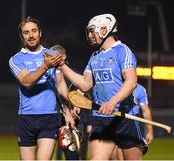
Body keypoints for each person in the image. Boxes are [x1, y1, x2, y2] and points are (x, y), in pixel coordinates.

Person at [57, 13, 146, 160]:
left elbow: (131, 82)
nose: (90, 35)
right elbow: (85, 84)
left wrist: (113, 102)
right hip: (101, 118)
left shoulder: (123, 51)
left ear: (104, 30)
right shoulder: (95, 56)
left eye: (92, 30)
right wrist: (62, 66)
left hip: (125, 116)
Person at [8, 17, 75, 160]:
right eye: (26, 32)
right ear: (22, 36)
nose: (31, 35)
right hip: (26, 118)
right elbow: (26, 81)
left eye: (34, 31)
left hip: (49, 117)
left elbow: (61, 86)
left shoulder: (53, 55)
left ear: (40, 33)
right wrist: (45, 66)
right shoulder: (16, 59)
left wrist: (67, 112)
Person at [50, 44, 79, 160]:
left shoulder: (72, 73)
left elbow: (80, 92)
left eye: (56, 56)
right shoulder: (49, 72)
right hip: (52, 115)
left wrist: (76, 107)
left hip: (69, 115)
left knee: (70, 149)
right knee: (51, 148)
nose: (53, 59)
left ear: (64, 56)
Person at [110, 83, 154, 160]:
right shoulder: (113, 86)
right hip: (113, 123)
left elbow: (145, 110)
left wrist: (150, 131)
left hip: (131, 125)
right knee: (116, 155)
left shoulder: (140, 89)